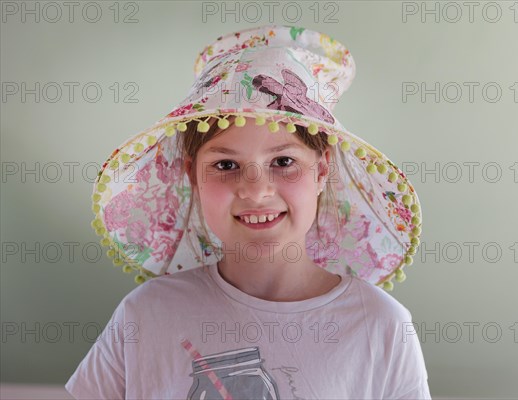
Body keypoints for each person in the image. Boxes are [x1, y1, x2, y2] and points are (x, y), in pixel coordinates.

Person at [66, 25, 431, 399]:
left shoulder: (381, 327)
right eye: (226, 166)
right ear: (193, 174)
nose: (256, 190)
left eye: (283, 161)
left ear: (322, 171)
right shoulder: (144, 316)